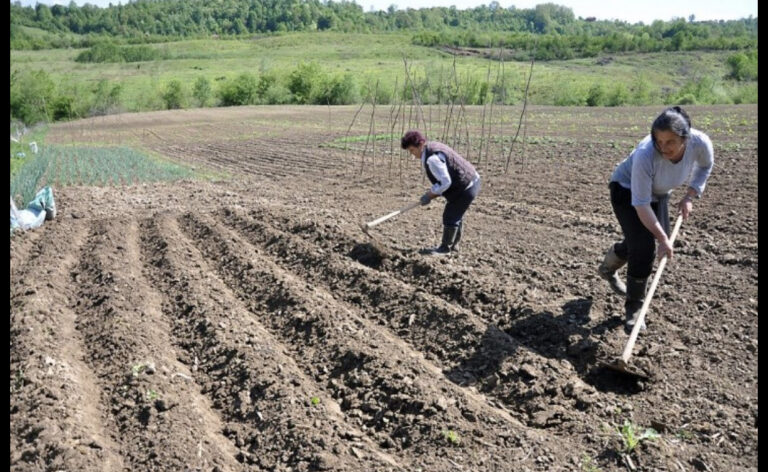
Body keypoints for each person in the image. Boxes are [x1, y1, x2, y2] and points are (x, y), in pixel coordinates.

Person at [598, 106, 714, 334]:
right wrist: (661, 239)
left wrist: (690, 195)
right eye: (658, 141)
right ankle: (634, 309)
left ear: (685, 138)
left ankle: (607, 267)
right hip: (626, 190)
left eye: (670, 142)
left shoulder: (700, 143)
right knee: (644, 247)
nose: (663, 147)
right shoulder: (646, 154)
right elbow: (641, 203)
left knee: (640, 242)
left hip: (659, 193)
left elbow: (705, 165)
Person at [400, 130, 481, 256]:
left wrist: (430, 195)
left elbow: (445, 182)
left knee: (451, 215)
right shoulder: (431, 147)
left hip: (466, 186)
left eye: (412, 150)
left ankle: (445, 249)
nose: (412, 155)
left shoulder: (432, 159)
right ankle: (453, 247)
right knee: (455, 214)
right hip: (470, 180)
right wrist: (432, 193)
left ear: (420, 145)